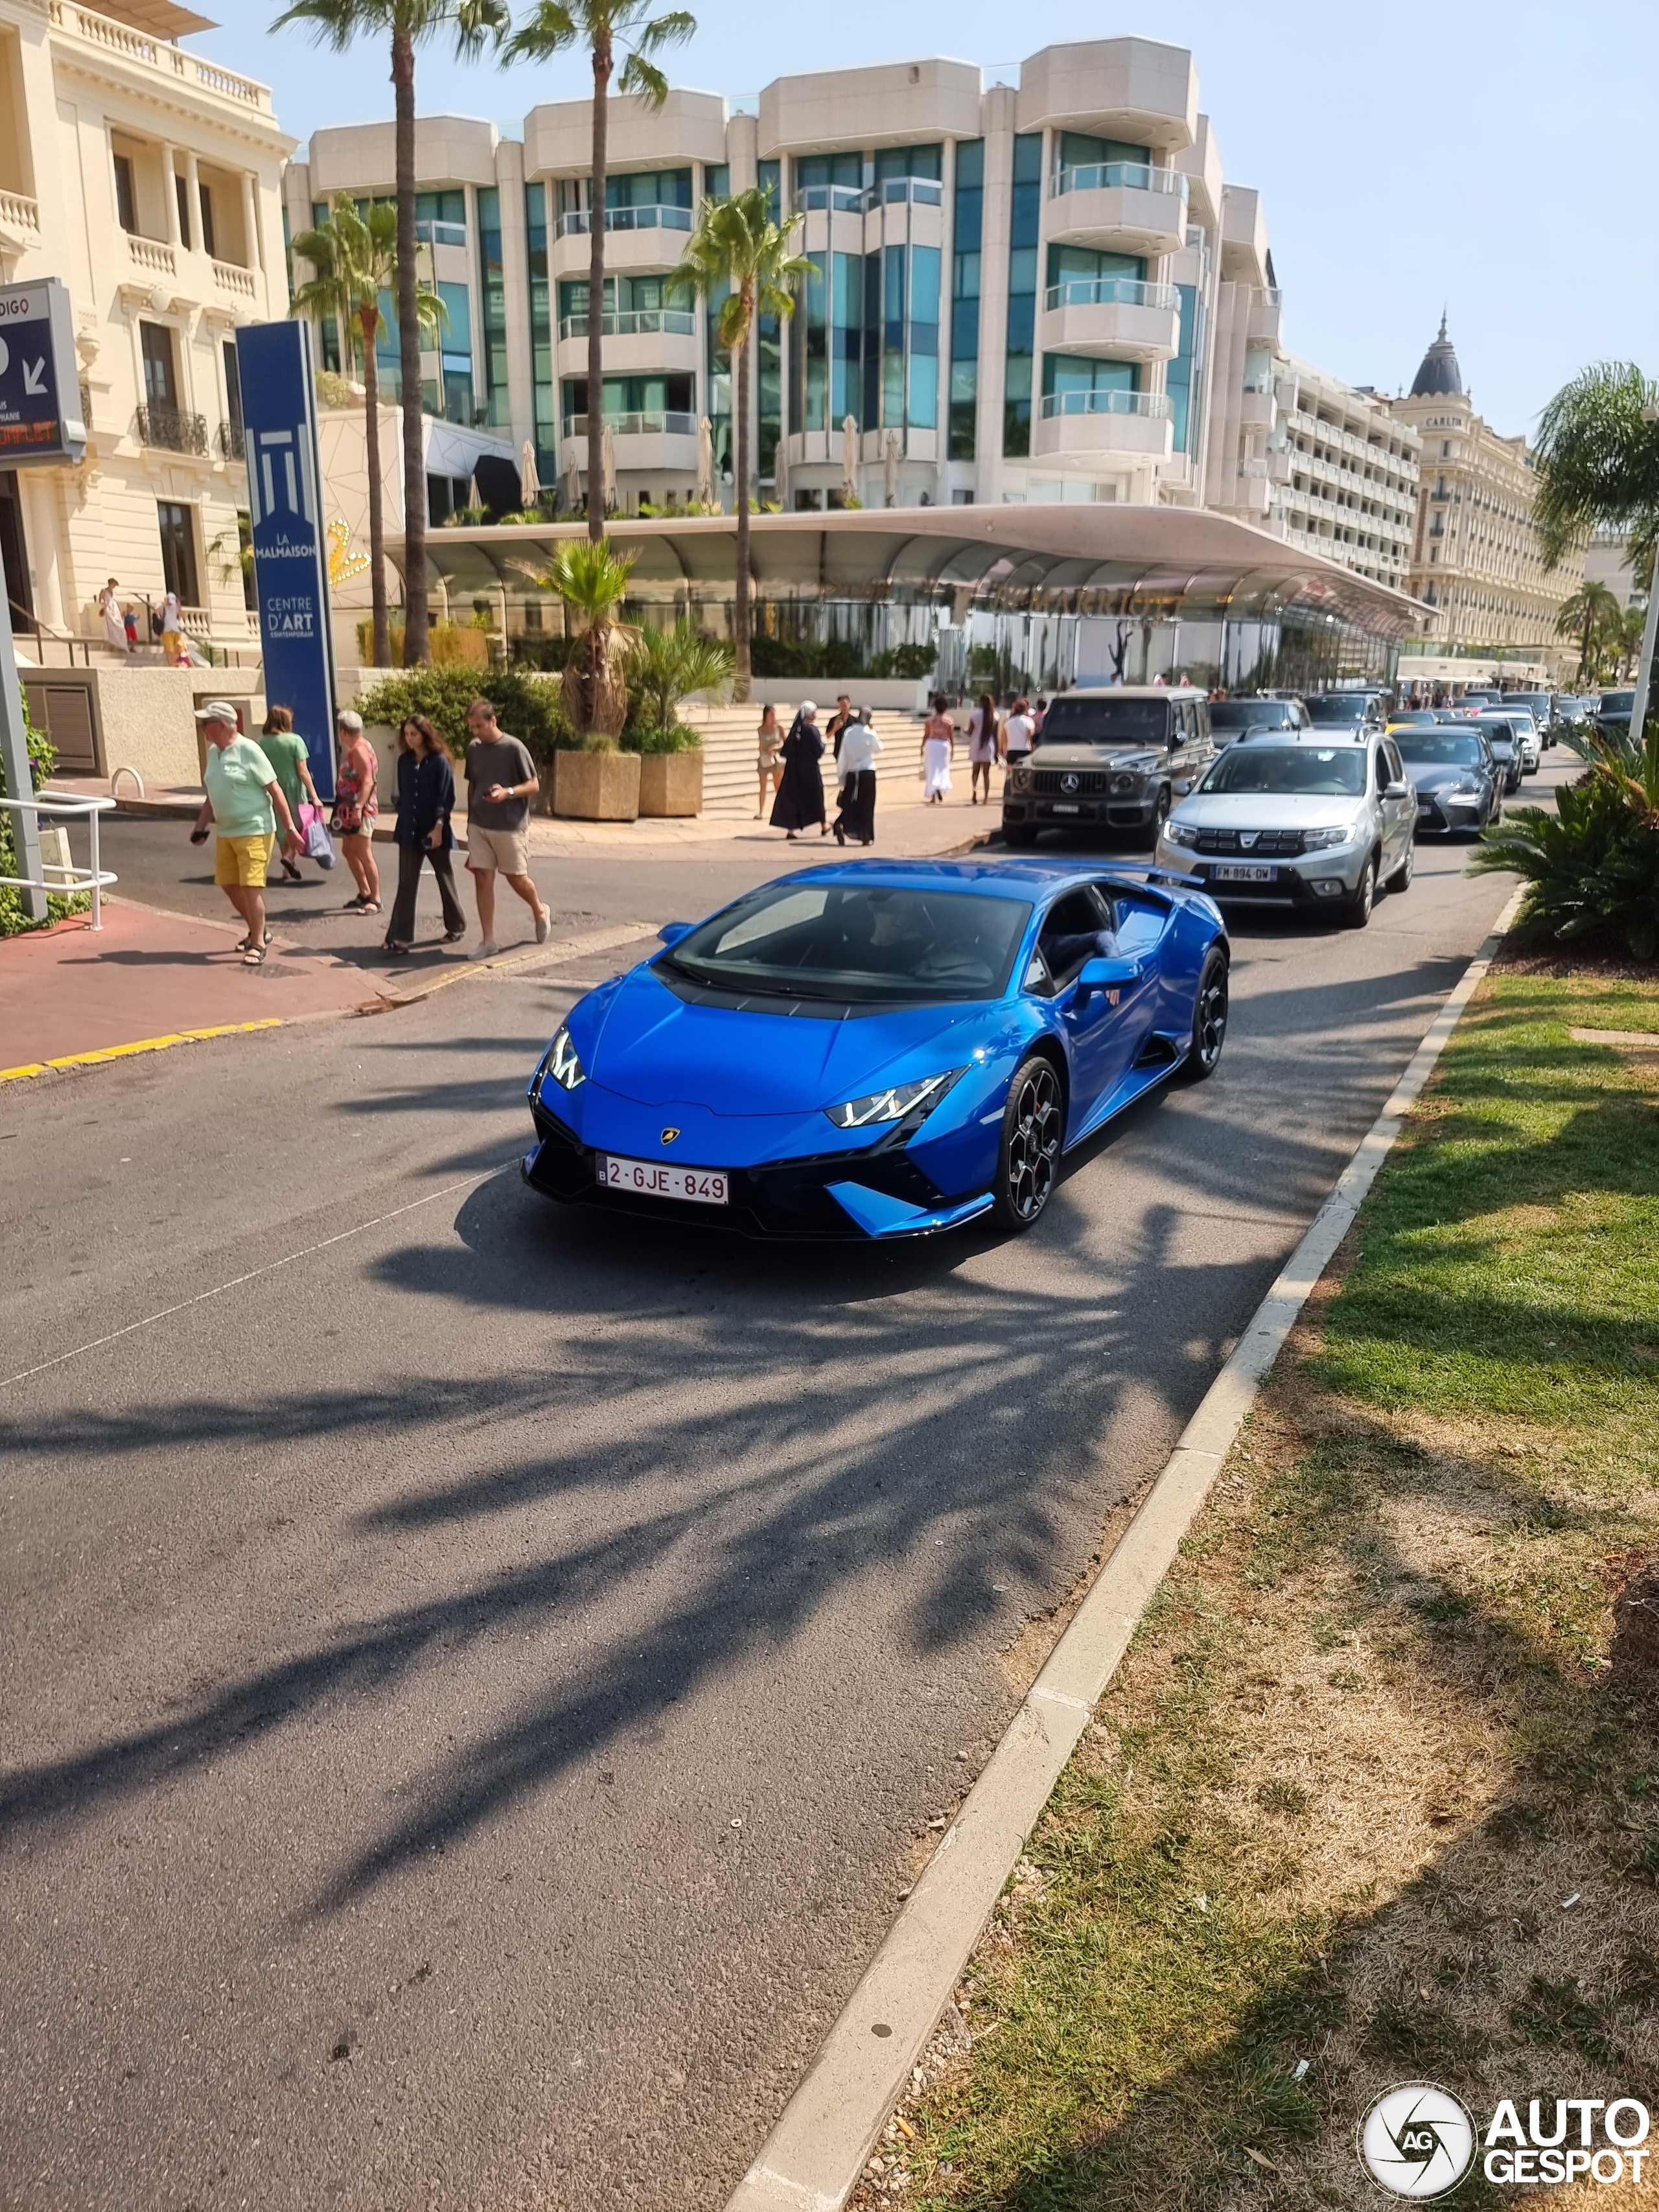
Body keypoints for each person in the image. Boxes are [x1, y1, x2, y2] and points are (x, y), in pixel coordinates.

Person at [189, 702, 303, 967]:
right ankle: (258, 929)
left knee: (251, 887)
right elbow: (213, 794)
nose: (202, 728)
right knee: (230, 885)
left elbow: (275, 791)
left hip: (255, 829)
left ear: (222, 725)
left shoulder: (249, 750)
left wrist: (290, 829)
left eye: (206, 723)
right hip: (226, 831)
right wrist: (200, 826)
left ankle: (259, 943)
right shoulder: (214, 753)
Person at [462, 695, 552, 957]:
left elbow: (534, 785)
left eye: (479, 726)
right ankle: (488, 941)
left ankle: (539, 909)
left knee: (516, 878)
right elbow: (472, 784)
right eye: (472, 727)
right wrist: (470, 819)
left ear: (493, 721)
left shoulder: (514, 748)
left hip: (510, 826)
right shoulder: (474, 749)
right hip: (480, 825)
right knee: (482, 878)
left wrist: (508, 793)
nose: (476, 732)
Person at [384, 715, 467, 955]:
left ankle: (456, 926)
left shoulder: (440, 762)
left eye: (414, 734)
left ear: (425, 734)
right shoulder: (405, 761)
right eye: (407, 734)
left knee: (444, 877)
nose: (410, 739)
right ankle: (399, 937)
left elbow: (446, 797)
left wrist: (439, 826)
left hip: (434, 830)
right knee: (406, 882)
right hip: (409, 829)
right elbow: (404, 792)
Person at [259, 706, 322, 883]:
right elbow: (303, 771)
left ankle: (287, 866)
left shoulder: (263, 743)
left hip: (272, 785)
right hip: (292, 785)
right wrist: (314, 796)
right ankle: (289, 857)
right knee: (302, 823)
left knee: (282, 824)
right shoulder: (295, 741)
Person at [332, 709, 382, 914]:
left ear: (343, 731)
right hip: (349, 807)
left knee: (363, 852)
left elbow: (368, 781)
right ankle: (365, 892)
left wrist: (359, 808)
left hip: (359, 808)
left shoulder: (359, 750)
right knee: (349, 850)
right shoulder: (359, 747)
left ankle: (375, 899)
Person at [770, 701, 828, 839]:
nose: (816, 714)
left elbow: (787, 750)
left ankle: (791, 830)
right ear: (810, 714)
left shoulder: (796, 730)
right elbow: (819, 750)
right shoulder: (812, 730)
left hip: (794, 771)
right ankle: (824, 825)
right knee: (816, 797)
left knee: (794, 799)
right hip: (810, 771)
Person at [833, 708, 883, 845]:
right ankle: (866, 837)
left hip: (852, 772)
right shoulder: (869, 733)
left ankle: (842, 824)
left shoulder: (849, 732)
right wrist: (873, 731)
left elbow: (843, 756)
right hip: (867, 771)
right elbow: (879, 748)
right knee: (867, 805)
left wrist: (841, 777)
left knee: (851, 803)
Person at [967, 691, 1001, 806]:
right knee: (986, 774)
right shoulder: (995, 716)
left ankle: (974, 791)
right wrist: (997, 751)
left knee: (975, 771)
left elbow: (970, 732)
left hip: (976, 744)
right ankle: (986, 798)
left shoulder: (975, 716)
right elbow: (996, 735)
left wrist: (964, 730)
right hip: (989, 745)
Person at [920, 694, 956, 804]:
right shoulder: (949, 721)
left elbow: (926, 735)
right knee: (942, 769)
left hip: (931, 744)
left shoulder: (929, 721)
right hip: (943, 745)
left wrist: (922, 747)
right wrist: (953, 749)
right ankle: (940, 787)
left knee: (932, 770)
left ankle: (933, 796)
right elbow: (951, 737)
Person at [756, 704, 783, 818]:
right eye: (771, 714)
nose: (773, 716)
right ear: (766, 715)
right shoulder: (760, 729)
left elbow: (785, 742)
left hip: (776, 760)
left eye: (774, 714)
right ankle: (761, 812)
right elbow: (760, 744)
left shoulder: (779, 728)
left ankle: (782, 810)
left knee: (777, 786)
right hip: (764, 760)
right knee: (763, 787)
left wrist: (775, 748)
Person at [1003, 696, 1036, 774]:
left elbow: (1004, 739)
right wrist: (1033, 750)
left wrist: (1004, 751)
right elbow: (1031, 737)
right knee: (1025, 773)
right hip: (1025, 750)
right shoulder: (1028, 721)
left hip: (1011, 750)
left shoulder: (1008, 722)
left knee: (1012, 773)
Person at [98, 579, 130, 655]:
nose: (114, 586)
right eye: (114, 584)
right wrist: (104, 604)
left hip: (115, 611)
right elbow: (100, 600)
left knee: (121, 627)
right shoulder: (104, 591)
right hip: (109, 611)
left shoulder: (114, 592)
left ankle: (122, 645)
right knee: (112, 628)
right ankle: (113, 644)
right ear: (110, 584)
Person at [826, 693, 855, 762]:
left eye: (845, 705)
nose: (843, 708)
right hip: (839, 751)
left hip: (852, 751)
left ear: (849, 705)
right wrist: (835, 728)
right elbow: (828, 736)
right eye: (841, 705)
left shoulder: (855, 720)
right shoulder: (834, 720)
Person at [158, 588, 185, 664]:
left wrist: (179, 607)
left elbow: (183, 616)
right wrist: (164, 604)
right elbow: (157, 612)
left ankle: (177, 663)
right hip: (167, 631)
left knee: (180, 648)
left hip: (176, 630)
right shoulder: (162, 606)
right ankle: (171, 665)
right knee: (170, 650)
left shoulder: (175, 607)